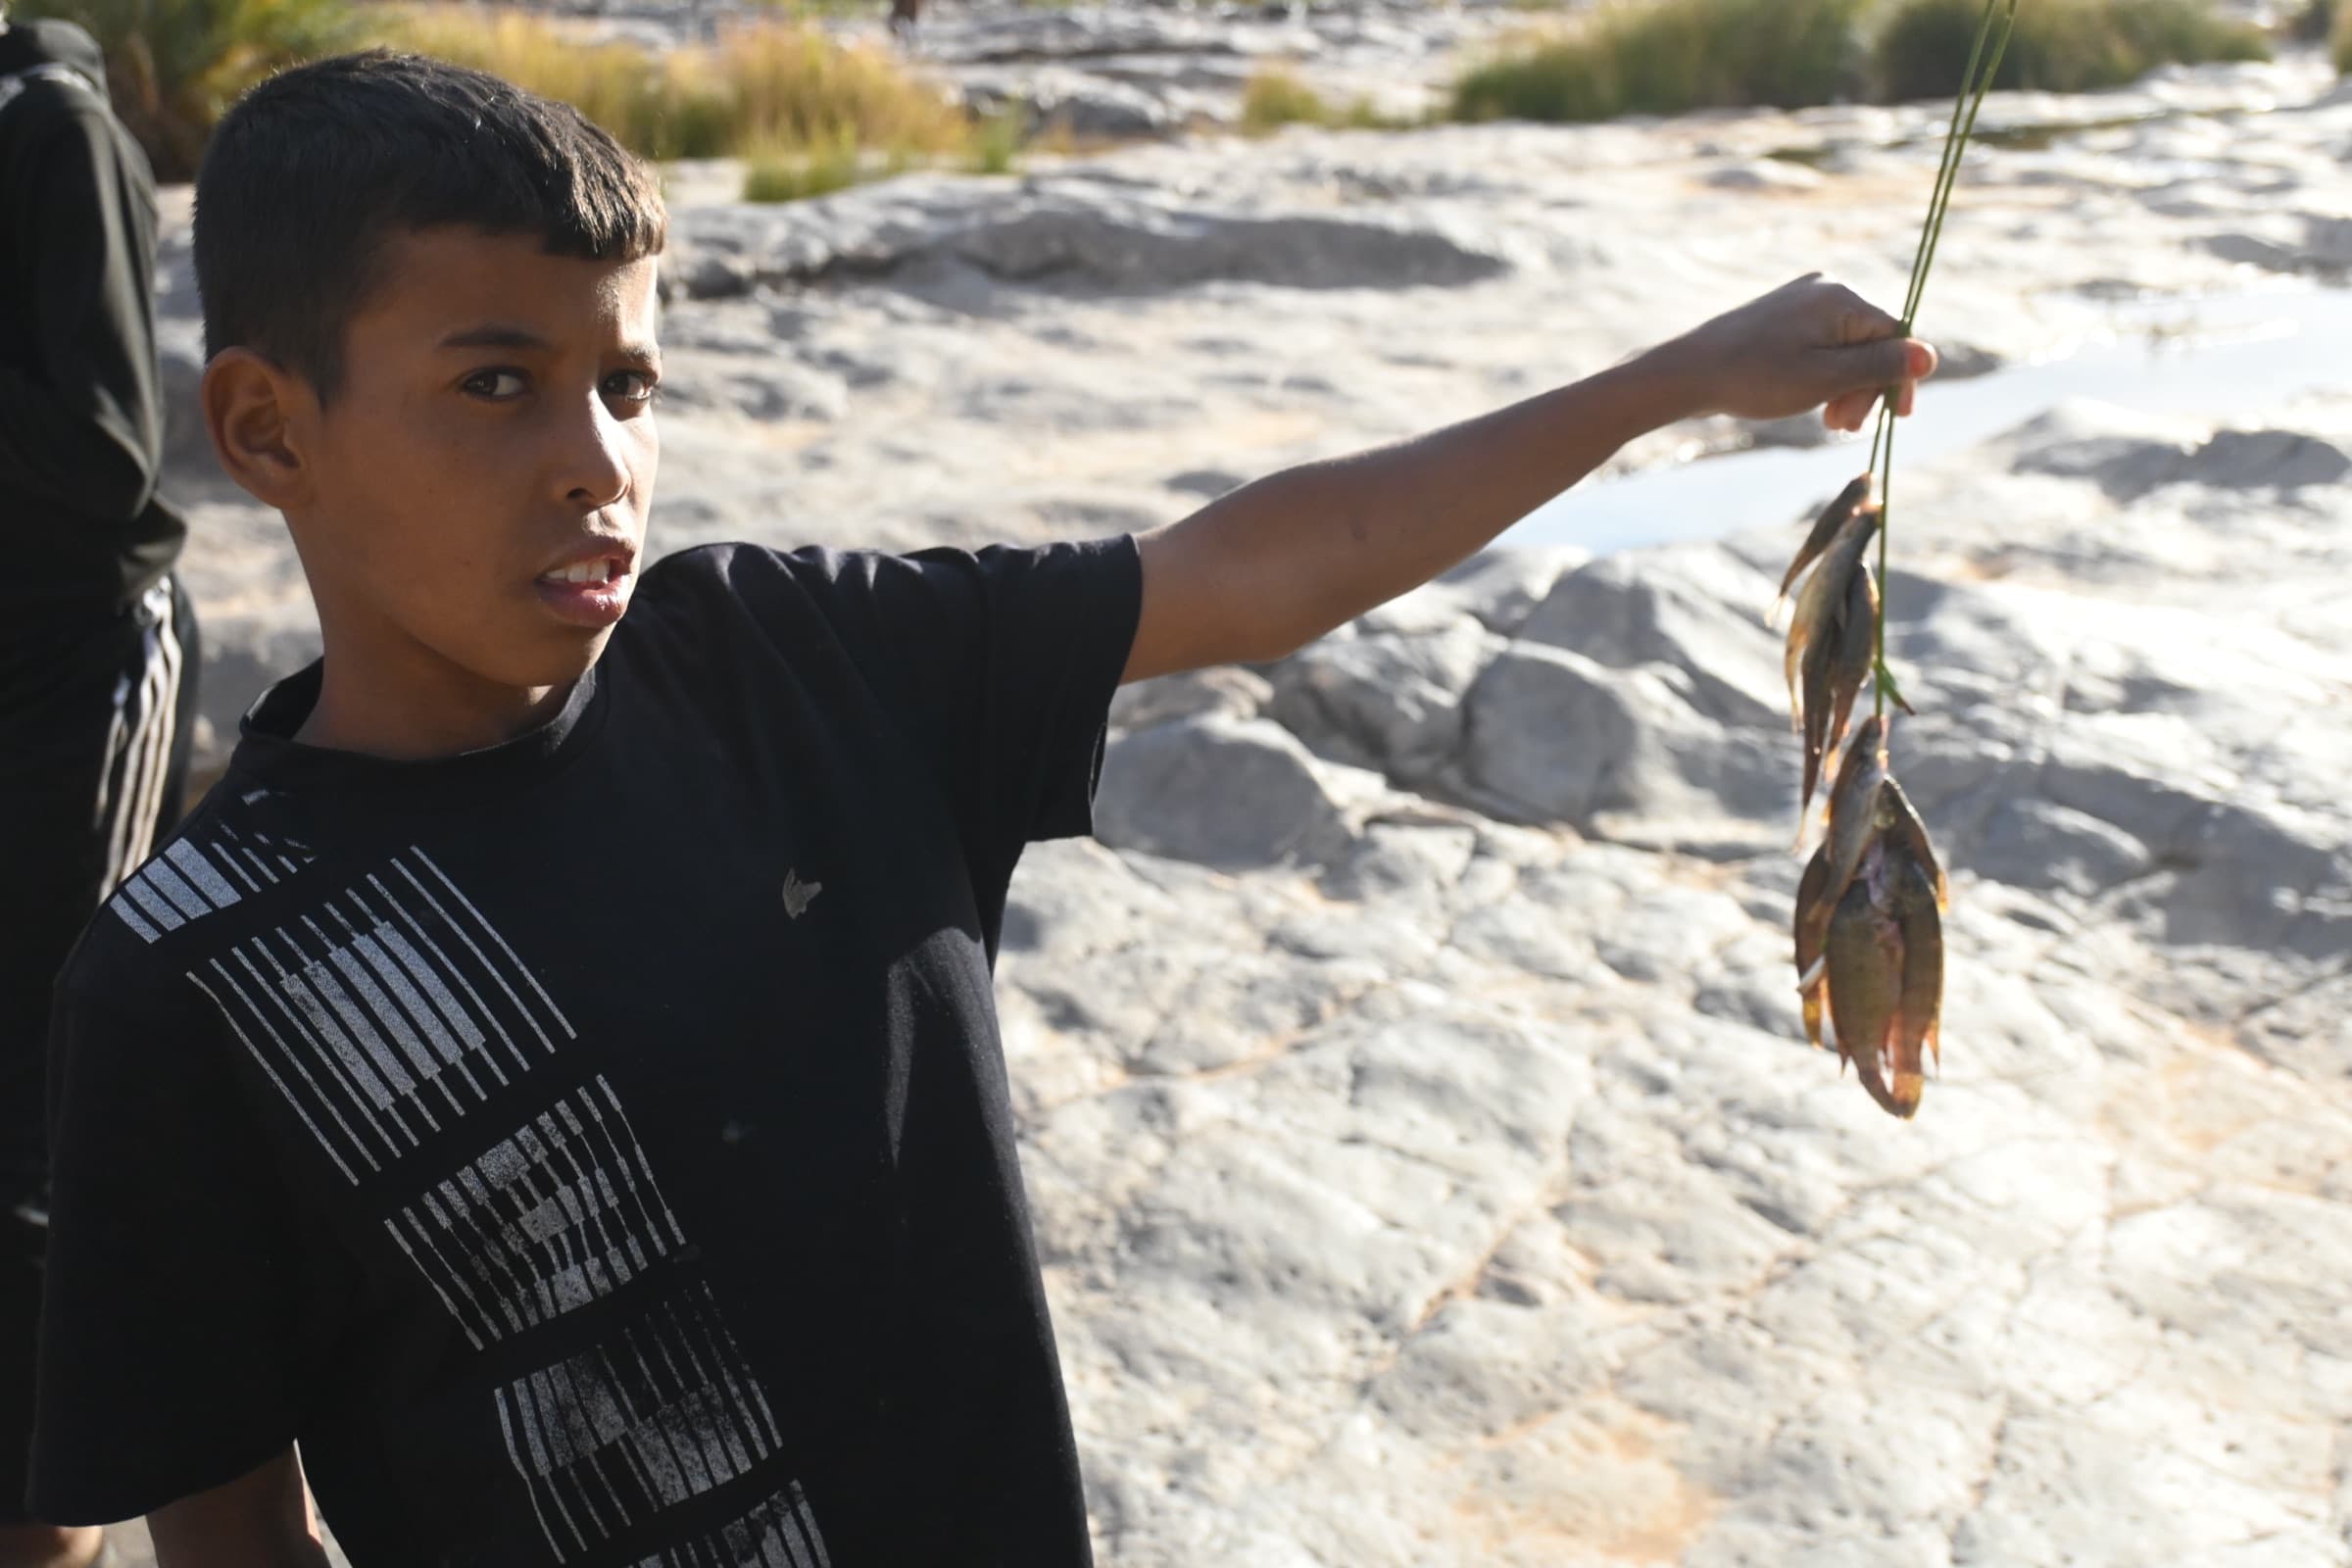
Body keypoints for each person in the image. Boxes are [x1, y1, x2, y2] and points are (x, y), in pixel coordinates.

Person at [25, 50, 1933, 1568]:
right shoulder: (193, 975)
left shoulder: (790, 666)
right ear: (269, 428)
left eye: (629, 382)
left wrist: (1679, 378)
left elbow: (1243, 575)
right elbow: (228, 1518)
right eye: (499, 384)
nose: (595, 465)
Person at [0, 4, 194, 1564]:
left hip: (77, 678)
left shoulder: (46, 122)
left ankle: (50, 1513)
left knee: (45, 1080)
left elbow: (107, 454)